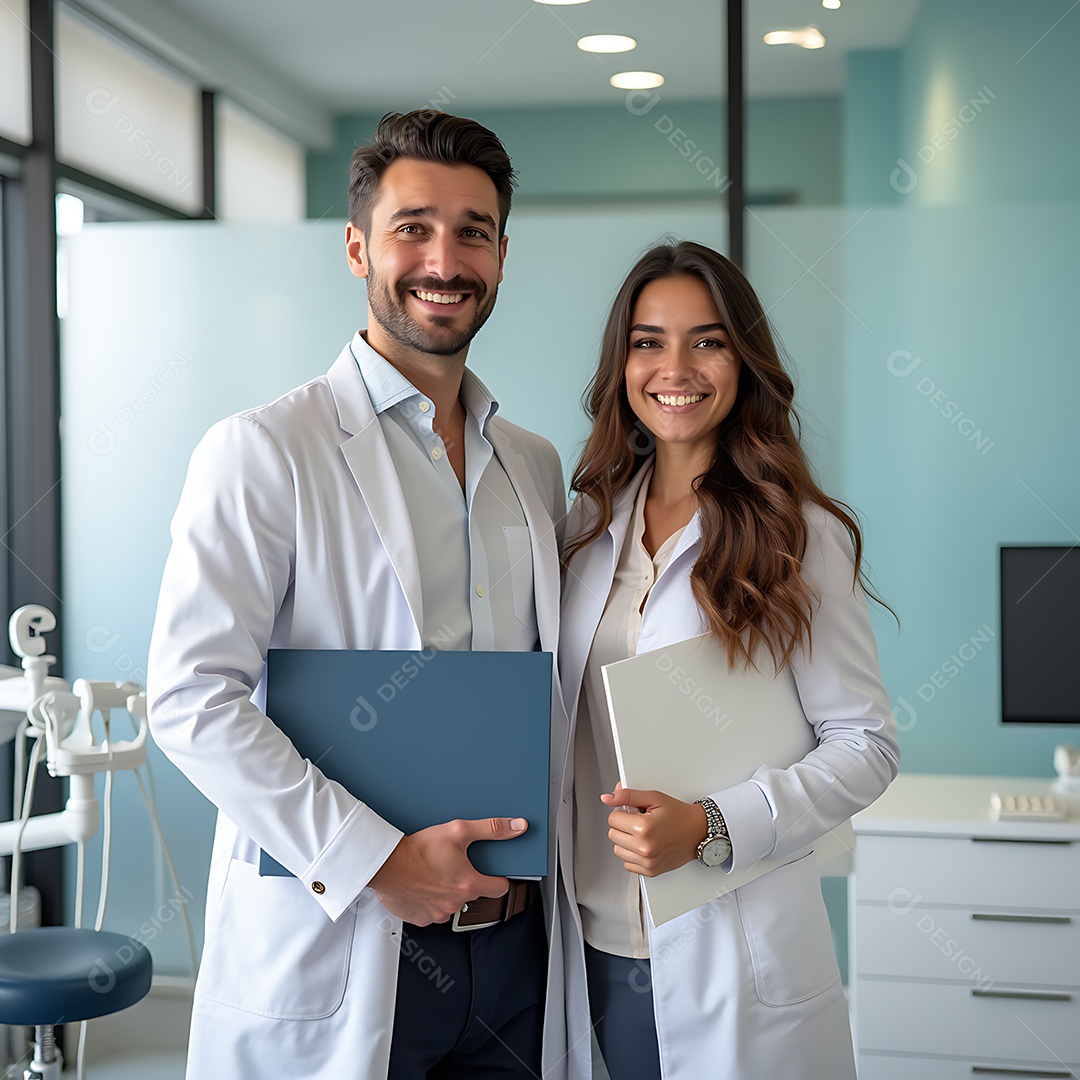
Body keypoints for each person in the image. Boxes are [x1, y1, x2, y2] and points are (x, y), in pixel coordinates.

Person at [147, 110, 570, 1080]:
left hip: (516, 950)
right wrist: (377, 858)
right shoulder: (265, 451)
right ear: (357, 247)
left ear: (502, 256)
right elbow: (190, 699)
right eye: (412, 227)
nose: (444, 259)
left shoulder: (534, 468)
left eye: (473, 232)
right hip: (349, 929)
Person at [556, 240, 900, 1080]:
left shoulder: (795, 534)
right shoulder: (584, 526)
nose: (676, 366)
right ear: (622, 361)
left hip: (734, 953)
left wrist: (710, 825)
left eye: (707, 340)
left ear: (744, 361)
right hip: (589, 944)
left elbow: (867, 745)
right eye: (648, 340)